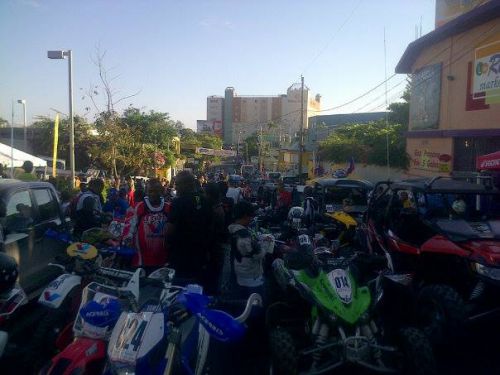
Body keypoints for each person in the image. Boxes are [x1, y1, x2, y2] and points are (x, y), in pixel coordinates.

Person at [167, 171, 213, 284]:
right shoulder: (204, 200)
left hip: (181, 254)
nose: (175, 187)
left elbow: (169, 229)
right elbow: (211, 225)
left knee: (179, 288)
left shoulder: (178, 202)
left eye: (177, 184)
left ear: (187, 184)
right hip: (201, 253)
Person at [123, 179, 170, 271]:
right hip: (141, 260)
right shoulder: (137, 207)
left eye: (156, 191)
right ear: (146, 192)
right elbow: (129, 226)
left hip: (163, 261)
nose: (153, 194)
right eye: (150, 191)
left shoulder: (169, 207)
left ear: (162, 191)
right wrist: (127, 238)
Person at [228, 201, 272, 299]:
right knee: (256, 303)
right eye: (250, 216)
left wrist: (258, 240)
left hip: (240, 270)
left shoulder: (233, 229)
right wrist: (266, 243)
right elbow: (259, 254)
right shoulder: (243, 235)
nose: (251, 219)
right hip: (251, 275)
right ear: (244, 216)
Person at [204, 182, 227, 295]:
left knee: (211, 283)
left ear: (210, 195)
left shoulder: (216, 210)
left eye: (205, 194)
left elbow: (211, 232)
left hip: (214, 250)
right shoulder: (217, 207)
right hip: (215, 250)